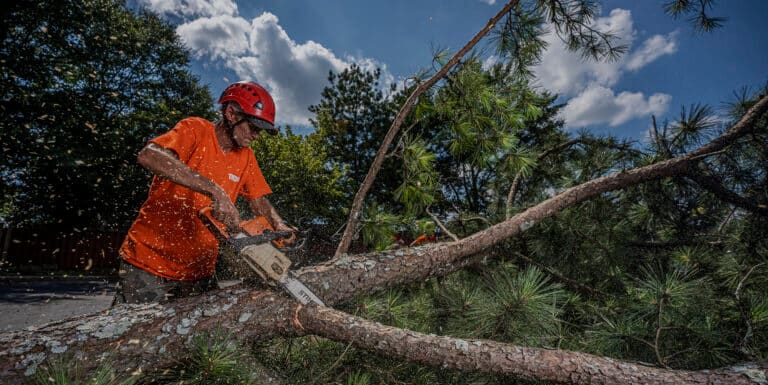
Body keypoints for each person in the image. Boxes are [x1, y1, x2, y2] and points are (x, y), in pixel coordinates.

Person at [113, 81, 295, 304]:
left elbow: (259, 200)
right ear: (231, 114)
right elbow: (149, 155)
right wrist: (214, 190)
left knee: (206, 336)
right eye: (253, 128)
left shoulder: (246, 157)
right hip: (149, 262)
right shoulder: (195, 130)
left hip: (199, 271)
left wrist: (278, 224)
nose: (256, 136)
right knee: (135, 335)